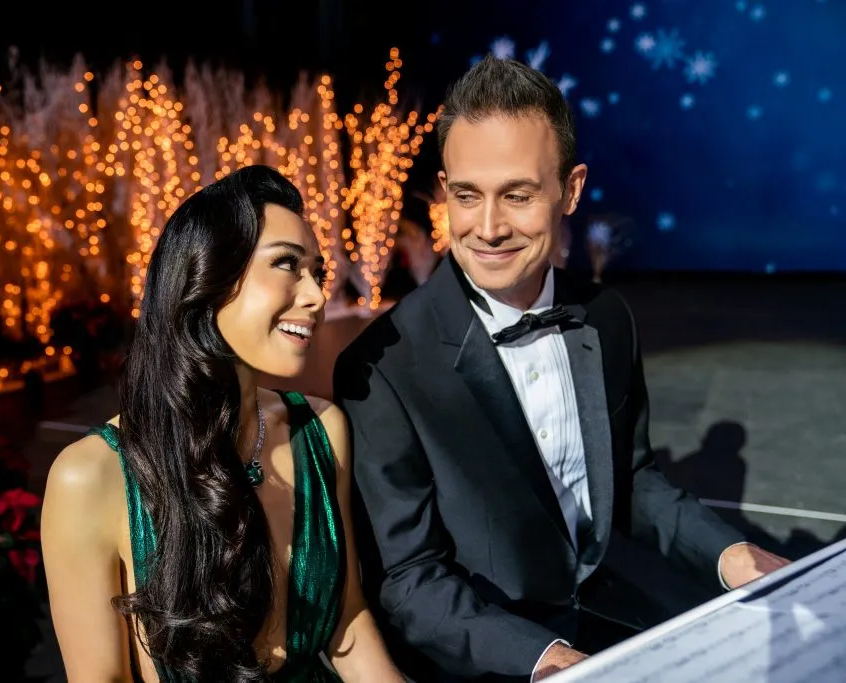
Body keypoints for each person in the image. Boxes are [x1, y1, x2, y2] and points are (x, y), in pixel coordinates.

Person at [333, 57, 790, 682]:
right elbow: (410, 581)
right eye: (467, 195)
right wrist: (549, 660)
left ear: (570, 191)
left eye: (517, 195)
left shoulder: (606, 316)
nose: (488, 228)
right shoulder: (382, 366)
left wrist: (731, 553)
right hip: (487, 659)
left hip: (602, 615)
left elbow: (629, 478)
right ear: (443, 190)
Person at [41, 165, 403, 683]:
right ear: (206, 279)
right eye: (287, 264)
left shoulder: (321, 430)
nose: (317, 296)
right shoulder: (91, 475)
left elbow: (346, 618)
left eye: (317, 273)